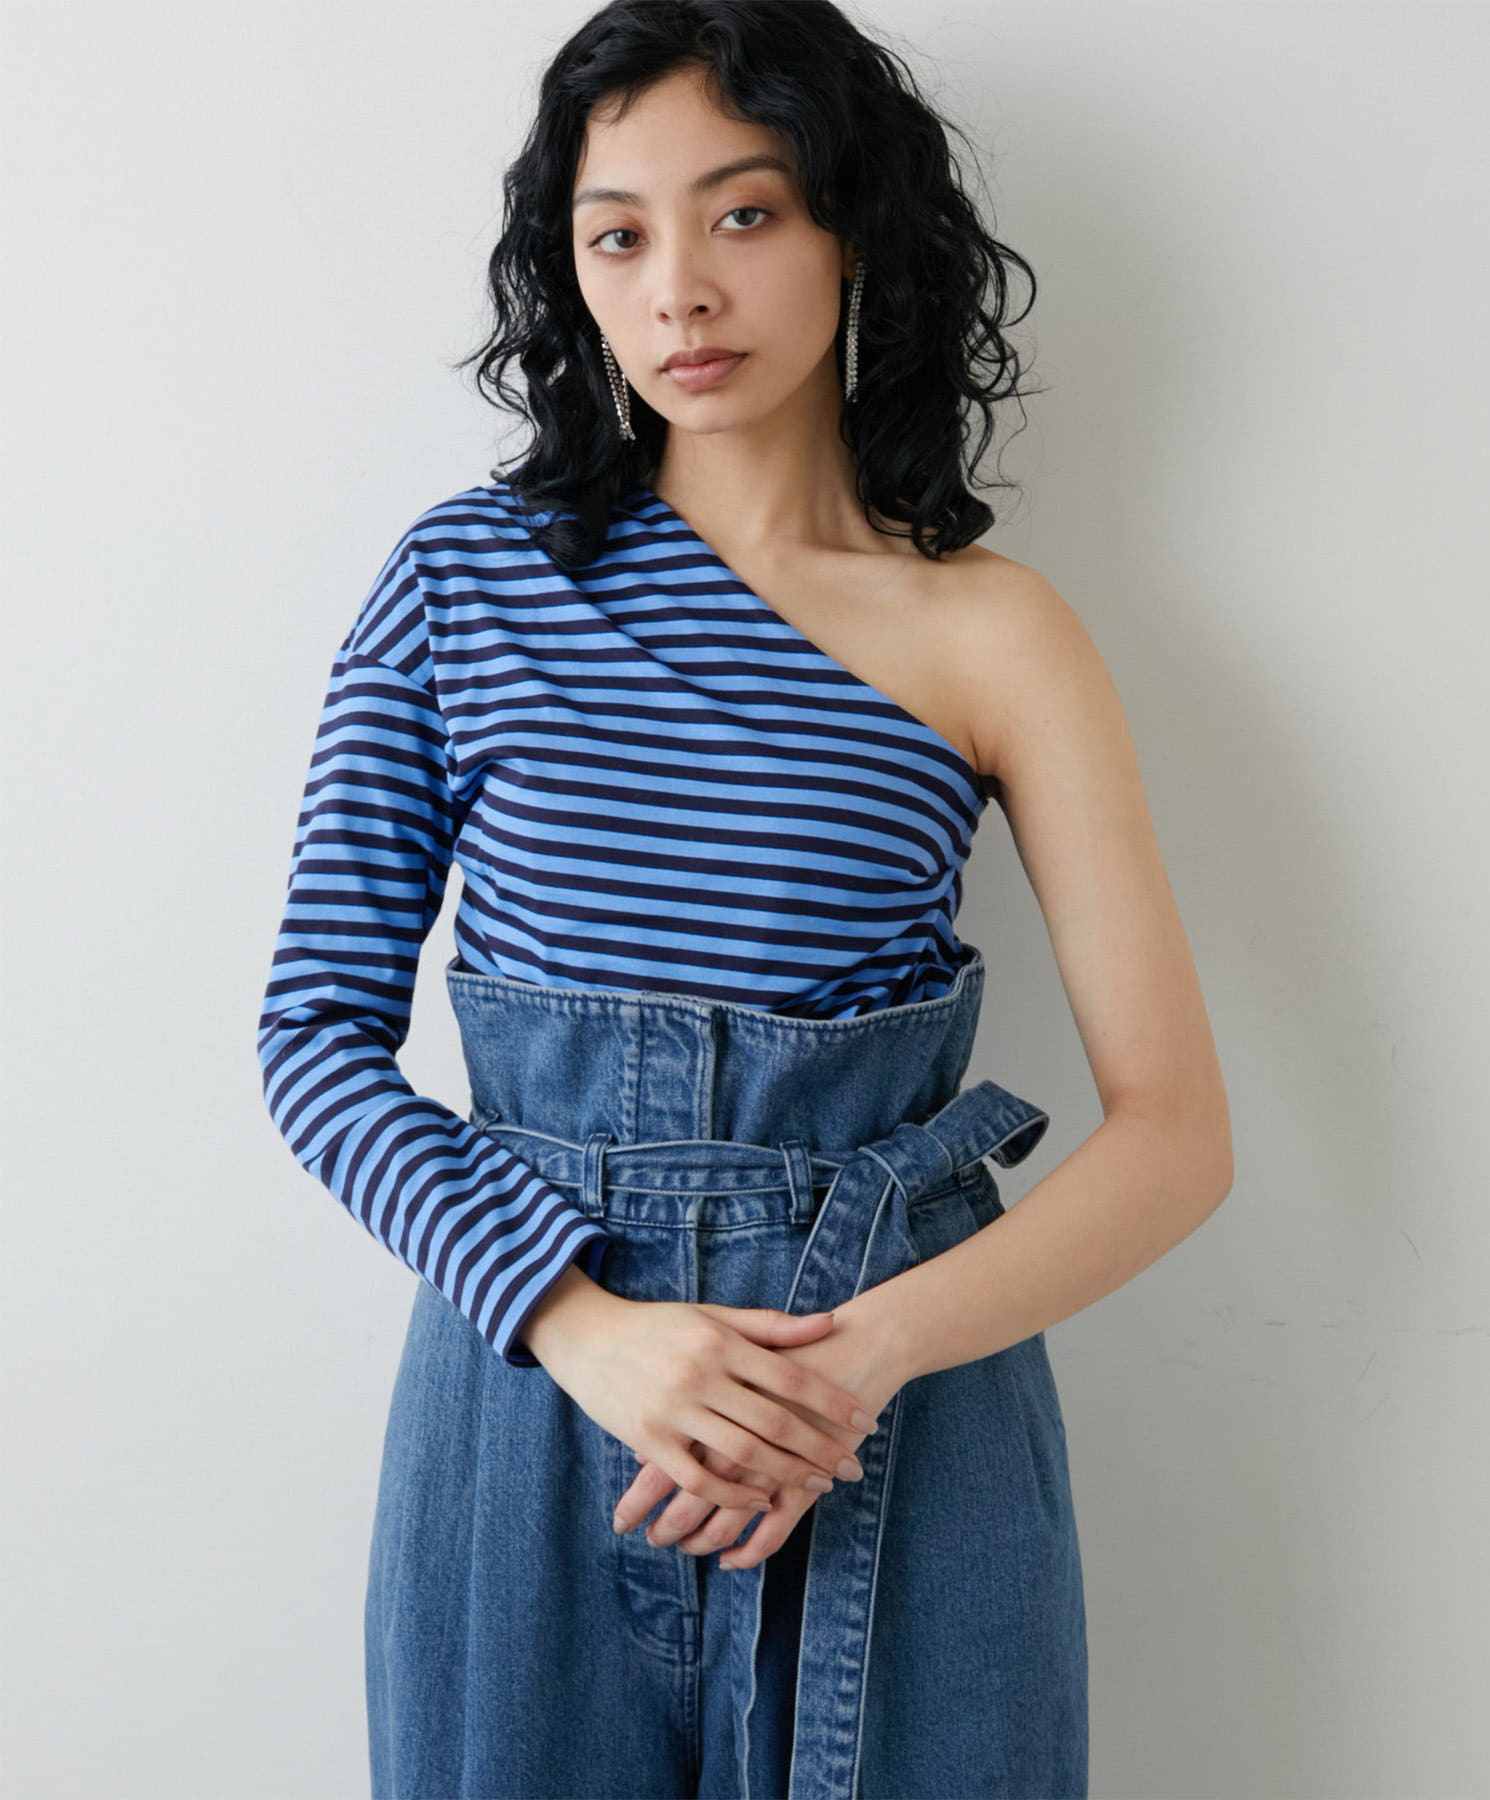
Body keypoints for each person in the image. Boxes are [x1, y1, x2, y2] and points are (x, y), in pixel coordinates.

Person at [256, 2, 1233, 1795]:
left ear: (856, 231)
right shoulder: (466, 583)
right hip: (535, 1410)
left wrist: (851, 1369)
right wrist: (582, 1329)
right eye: (618, 235)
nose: (680, 291)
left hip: (898, 1414)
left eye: (745, 213)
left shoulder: (997, 632)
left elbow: (1176, 1137)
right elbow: (314, 1043)